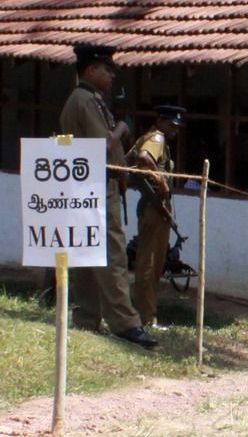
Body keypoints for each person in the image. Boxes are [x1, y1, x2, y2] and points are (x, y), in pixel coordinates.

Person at [59, 44, 158, 349]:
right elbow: (102, 145)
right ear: (90, 69)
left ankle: (87, 317)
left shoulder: (87, 99)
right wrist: (122, 128)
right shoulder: (86, 101)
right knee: (112, 255)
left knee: (87, 254)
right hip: (97, 187)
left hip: (92, 186)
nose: (111, 75)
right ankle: (125, 322)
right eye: (106, 69)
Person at [129, 105, 186, 328]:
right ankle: (146, 319)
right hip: (153, 208)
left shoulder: (155, 137)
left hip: (156, 209)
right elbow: (144, 157)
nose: (175, 130)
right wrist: (160, 179)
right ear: (160, 121)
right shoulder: (156, 137)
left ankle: (147, 315)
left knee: (152, 263)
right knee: (149, 265)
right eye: (172, 124)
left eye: (177, 126)